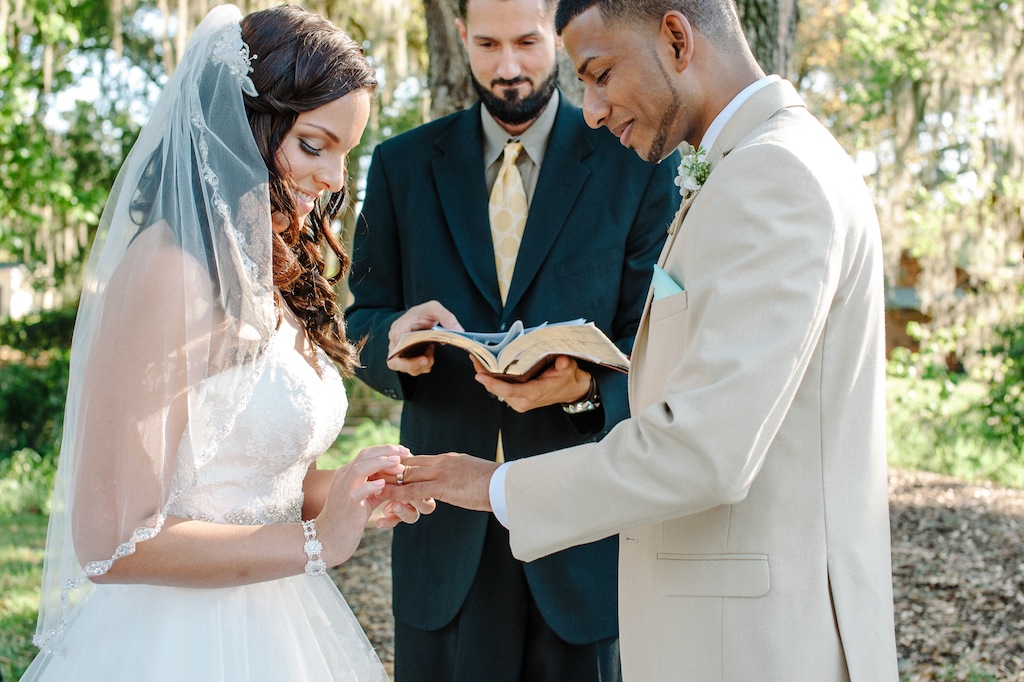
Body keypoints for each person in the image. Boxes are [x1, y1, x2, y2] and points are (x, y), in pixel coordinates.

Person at [382, 0, 901, 680]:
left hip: (755, 644)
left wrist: (500, 487)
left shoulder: (777, 177)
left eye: (599, 74)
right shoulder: (750, 165)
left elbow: (702, 451)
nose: (591, 109)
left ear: (677, 38)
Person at [22, 5, 433, 680]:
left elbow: (245, 486)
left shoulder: (263, 267)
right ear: (245, 125)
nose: (335, 180)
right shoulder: (168, 271)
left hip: (283, 625)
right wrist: (312, 543)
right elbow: (112, 542)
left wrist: (347, 492)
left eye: (345, 154)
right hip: (177, 642)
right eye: (314, 145)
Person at [344, 0, 679, 678]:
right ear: (461, 37)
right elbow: (362, 320)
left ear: (557, 39)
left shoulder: (636, 161)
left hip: (580, 530)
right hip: (441, 534)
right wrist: (390, 341)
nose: (508, 68)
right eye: (488, 45)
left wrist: (588, 386)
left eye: (527, 43)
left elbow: (657, 344)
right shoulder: (401, 167)